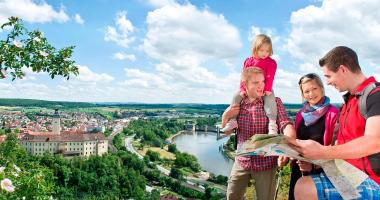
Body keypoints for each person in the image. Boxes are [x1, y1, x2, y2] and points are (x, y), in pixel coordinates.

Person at [290, 46, 380, 199]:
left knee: (304, 188)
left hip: (370, 181)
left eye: (329, 76)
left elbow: (374, 141)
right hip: (346, 174)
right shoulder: (348, 104)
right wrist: (314, 163)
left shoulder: (375, 95)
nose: (328, 82)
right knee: (302, 184)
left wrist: (323, 152)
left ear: (343, 70)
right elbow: (340, 149)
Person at [222, 67, 296, 200]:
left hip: (265, 163)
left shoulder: (273, 102)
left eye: (262, 81)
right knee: (232, 196)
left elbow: (285, 123)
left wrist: (288, 146)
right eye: (256, 83)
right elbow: (227, 132)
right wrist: (225, 116)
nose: (261, 86)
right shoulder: (238, 104)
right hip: (241, 160)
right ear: (245, 85)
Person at [287, 73, 338, 200]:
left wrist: (314, 165)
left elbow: (337, 149)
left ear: (321, 88)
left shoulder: (333, 113)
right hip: (300, 170)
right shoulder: (300, 114)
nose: (311, 94)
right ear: (303, 94)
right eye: (307, 91)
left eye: (314, 89)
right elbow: (297, 142)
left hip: (323, 171)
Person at [221, 34, 278, 135]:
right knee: (236, 96)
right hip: (247, 89)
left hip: (266, 88)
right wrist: (243, 89)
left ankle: (272, 124)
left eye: (267, 51)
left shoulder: (271, 62)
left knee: (270, 99)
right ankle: (233, 121)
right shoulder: (249, 61)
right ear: (255, 49)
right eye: (262, 50)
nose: (265, 53)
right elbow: (243, 77)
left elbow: (270, 76)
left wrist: (267, 88)